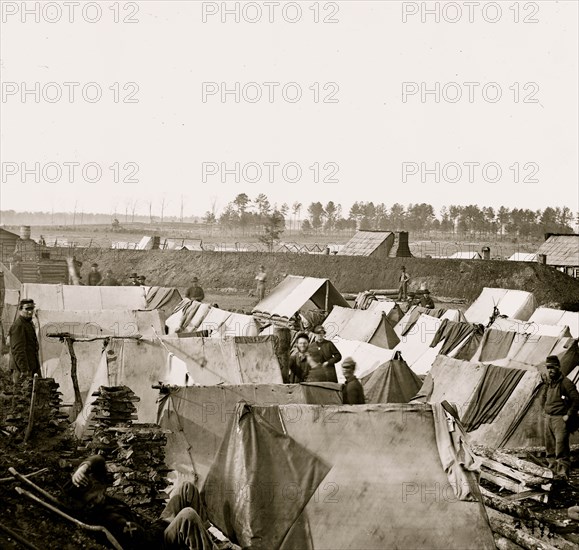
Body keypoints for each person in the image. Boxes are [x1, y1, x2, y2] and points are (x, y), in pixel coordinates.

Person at [68, 455, 218, 549]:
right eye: (94, 498)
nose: (100, 497)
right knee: (188, 516)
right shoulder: (110, 520)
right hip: (157, 544)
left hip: (154, 531)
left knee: (186, 488)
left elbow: (99, 460)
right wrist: (167, 522)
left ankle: (209, 540)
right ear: (88, 505)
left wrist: (82, 467)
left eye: (99, 493)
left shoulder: (96, 500)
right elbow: (147, 542)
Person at [542, 355, 579, 478]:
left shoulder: (566, 382)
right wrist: (545, 411)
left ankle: (562, 475)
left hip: (560, 420)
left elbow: (576, 399)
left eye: (552, 367)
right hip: (549, 418)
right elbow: (544, 398)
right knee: (550, 449)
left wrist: (568, 415)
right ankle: (552, 475)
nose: (550, 370)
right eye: (548, 368)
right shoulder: (549, 382)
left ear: (558, 367)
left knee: (561, 449)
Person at [8, 299, 41, 382]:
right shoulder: (19, 325)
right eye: (27, 309)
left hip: (30, 367)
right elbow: (18, 350)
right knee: (21, 393)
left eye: (32, 308)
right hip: (21, 370)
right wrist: (24, 369)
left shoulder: (28, 323)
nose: (30, 312)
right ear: (20, 310)